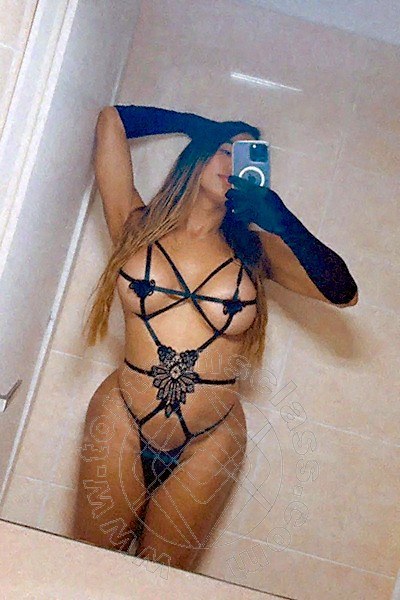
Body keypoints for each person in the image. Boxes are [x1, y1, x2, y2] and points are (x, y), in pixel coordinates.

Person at [73, 104, 358, 571]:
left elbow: (343, 293)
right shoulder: (136, 224)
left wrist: (282, 221)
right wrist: (194, 125)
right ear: (200, 156)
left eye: (246, 156)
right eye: (225, 150)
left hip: (210, 439)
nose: (233, 164)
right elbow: (111, 120)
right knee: (86, 564)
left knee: (163, 581)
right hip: (120, 414)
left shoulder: (256, 251)